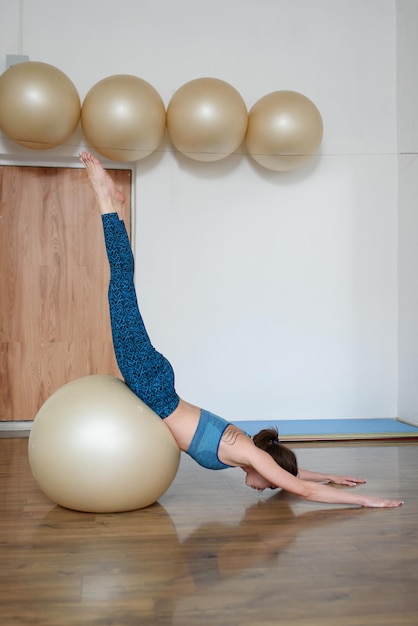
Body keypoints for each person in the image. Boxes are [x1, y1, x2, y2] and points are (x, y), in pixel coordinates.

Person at [79, 151, 403, 509]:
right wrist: (370, 502)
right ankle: (107, 196)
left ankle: (110, 201)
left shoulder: (249, 450)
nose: (265, 488)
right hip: (150, 385)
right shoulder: (250, 453)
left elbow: (294, 478)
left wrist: (330, 475)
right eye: (271, 483)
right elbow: (302, 491)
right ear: (269, 468)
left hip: (156, 385)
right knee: (121, 286)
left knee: (122, 287)